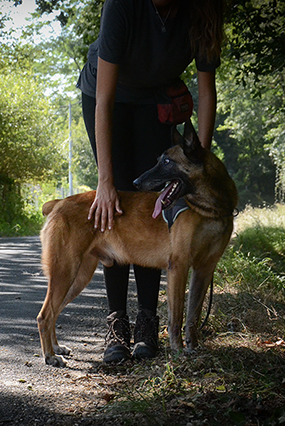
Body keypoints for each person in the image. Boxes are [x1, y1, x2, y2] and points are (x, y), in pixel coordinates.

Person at [76, 0, 225, 363]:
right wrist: (106, 180)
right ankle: (117, 324)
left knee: (157, 206)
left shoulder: (201, 12)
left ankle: (147, 322)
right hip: (107, 97)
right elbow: (105, 99)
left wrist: (198, 163)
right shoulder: (122, 7)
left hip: (155, 103)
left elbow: (206, 93)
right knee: (117, 207)